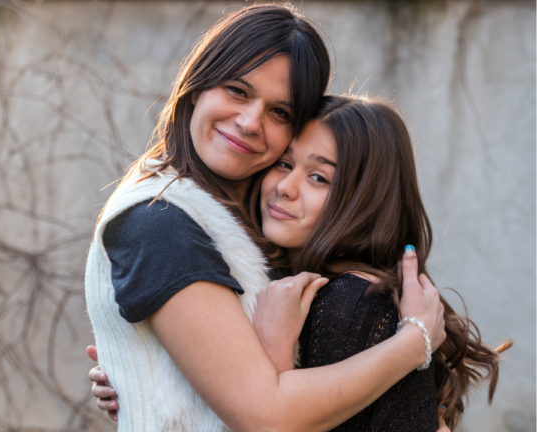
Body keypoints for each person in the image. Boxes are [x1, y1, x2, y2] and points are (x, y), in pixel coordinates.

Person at [84, 5, 446, 432]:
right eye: (237, 90)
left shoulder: (264, 235)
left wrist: (154, 374)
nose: (249, 122)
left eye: (280, 113)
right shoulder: (161, 222)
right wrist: (413, 342)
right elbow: (266, 416)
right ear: (198, 85)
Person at [89, 95, 512, 430]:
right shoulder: (308, 287)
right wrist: (150, 381)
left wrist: (274, 351)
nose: (286, 188)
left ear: (366, 200)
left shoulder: (349, 303)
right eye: (285, 164)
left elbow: (275, 422)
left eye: (319, 178)